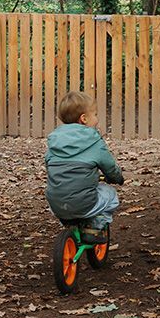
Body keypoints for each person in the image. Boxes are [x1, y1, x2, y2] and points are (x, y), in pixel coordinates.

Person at [44, 90, 124, 240]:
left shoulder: (54, 141)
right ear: (84, 119)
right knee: (110, 194)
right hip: (84, 203)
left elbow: (48, 164)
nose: (97, 118)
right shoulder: (93, 141)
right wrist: (117, 177)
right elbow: (110, 167)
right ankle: (95, 228)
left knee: (67, 199)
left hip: (56, 204)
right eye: (95, 114)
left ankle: (68, 222)